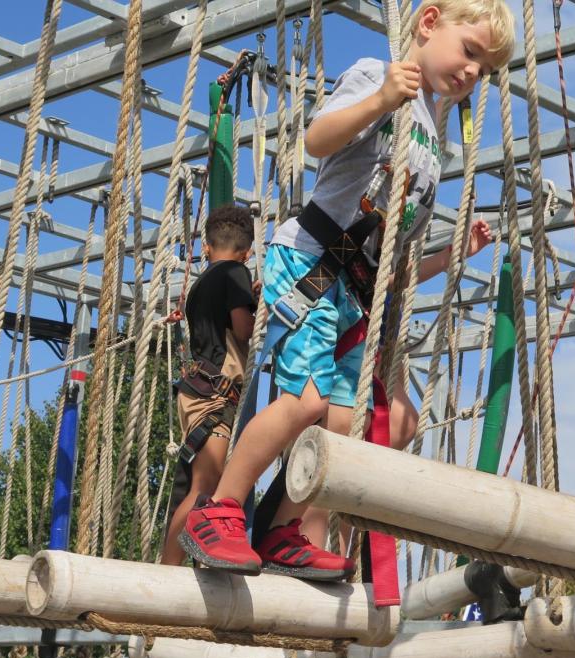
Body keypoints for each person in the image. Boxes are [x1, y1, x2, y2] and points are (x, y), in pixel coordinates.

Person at [178, 0, 513, 578]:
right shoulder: (376, 76)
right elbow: (317, 140)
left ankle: (281, 528)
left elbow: (393, 260)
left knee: (342, 426)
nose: (472, 73)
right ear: (429, 23)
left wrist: (454, 256)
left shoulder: (432, 135)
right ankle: (221, 508)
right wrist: (383, 99)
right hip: (312, 262)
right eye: (470, 52)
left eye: (483, 68)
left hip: (356, 289)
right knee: (305, 402)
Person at [162, 205, 259, 567]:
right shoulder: (237, 273)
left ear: (206, 247)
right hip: (215, 395)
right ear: (246, 253)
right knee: (205, 488)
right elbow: (243, 329)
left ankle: (177, 565)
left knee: (200, 486)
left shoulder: (201, 284)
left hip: (198, 388)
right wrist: (255, 304)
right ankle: (169, 570)